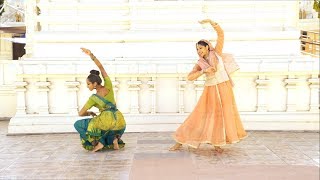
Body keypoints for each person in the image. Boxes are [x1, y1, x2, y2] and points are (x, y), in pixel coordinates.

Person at [169, 19, 247, 153]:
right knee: (200, 115)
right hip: (210, 91)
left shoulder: (216, 53)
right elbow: (190, 77)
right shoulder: (200, 63)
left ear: (207, 47)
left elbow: (221, 35)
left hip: (224, 88)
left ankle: (217, 143)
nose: (199, 51)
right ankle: (180, 141)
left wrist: (211, 22)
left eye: (200, 48)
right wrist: (203, 71)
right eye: (197, 49)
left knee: (224, 115)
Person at [74, 48, 126, 152]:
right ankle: (114, 139)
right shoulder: (108, 86)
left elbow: (80, 113)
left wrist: (90, 112)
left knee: (79, 124)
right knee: (108, 127)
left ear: (95, 84)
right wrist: (91, 55)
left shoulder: (93, 98)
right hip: (119, 120)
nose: (87, 86)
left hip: (105, 121)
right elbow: (101, 68)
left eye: (88, 84)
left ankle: (98, 143)